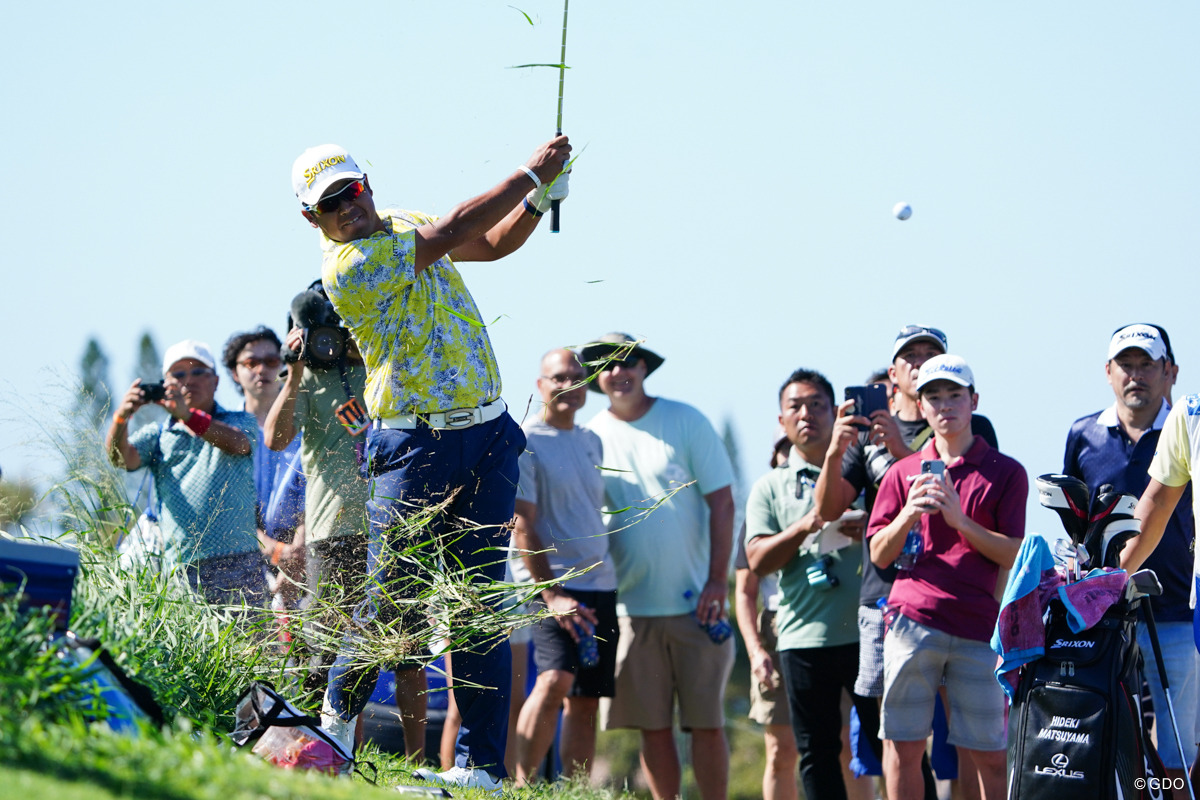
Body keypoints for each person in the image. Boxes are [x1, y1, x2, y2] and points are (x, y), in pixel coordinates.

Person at [291, 134, 571, 792]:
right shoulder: (348, 265)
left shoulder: (409, 223)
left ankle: (481, 769)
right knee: (392, 602)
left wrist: (540, 200)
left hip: (487, 435)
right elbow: (453, 229)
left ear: (367, 184)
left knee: (480, 605)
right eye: (328, 204)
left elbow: (491, 243)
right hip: (413, 447)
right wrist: (532, 172)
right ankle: (330, 731)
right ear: (312, 219)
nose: (344, 208)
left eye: (349, 191)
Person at [813, 325, 996, 794]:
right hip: (886, 600)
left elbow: (977, 506)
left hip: (959, 602)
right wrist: (837, 450)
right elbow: (827, 511)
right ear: (893, 374)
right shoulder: (865, 430)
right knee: (898, 739)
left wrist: (899, 450)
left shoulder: (973, 430)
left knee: (968, 740)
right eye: (909, 356)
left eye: (929, 353)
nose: (918, 362)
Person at [262, 284, 426, 759]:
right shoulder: (309, 377)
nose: (337, 342)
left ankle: (418, 762)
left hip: (396, 527)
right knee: (326, 645)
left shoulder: (387, 368)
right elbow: (274, 439)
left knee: (407, 649)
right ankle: (312, 752)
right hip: (335, 532)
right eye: (328, 333)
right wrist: (293, 374)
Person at [581, 332, 736, 800]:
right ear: (597, 378)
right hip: (629, 609)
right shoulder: (590, 435)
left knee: (706, 725)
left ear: (644, 367)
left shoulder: (685, 420)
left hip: (697, 607)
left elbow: (724, 504)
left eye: (626, 362)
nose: (617, 372)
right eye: (606, 365)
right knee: (653, 728)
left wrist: (715, 583)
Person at [866, 354, 1026, 800]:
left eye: (955, 395)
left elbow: (1013, 551)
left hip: (978, 627)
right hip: (911, 621)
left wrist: (959, 521)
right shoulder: (901, 473)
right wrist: (907, 515)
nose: (944, 405)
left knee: (990, 754)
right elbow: (879, 553)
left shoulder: (1006, 471)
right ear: (921, 405)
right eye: (933, 397)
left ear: (974, 400)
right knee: (903, 747)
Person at [1064, 323, 1198, 783]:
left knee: (1178, 742)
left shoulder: (1180, 421)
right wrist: (1094, 590)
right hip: (1110, 614)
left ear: (1170, 372)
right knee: (1108, 731)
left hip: (1179, 607)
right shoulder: (1083, 434)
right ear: (1108, 372)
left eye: (1146, 364)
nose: (1135, 375)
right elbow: (1081, 521)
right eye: (1126, 365)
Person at [745, 369, 874, 800]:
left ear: (837, 413)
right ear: (781, 422)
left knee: (887, 745)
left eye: (818, 405)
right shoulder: (768, 487)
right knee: (815, 752)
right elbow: (757, 561)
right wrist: (805, 526)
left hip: (866, 632)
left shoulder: (867, 472)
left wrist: (869, 525)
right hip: (802, 638)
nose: (807, 415)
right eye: (795, 407)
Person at [512, 348, 617, 785]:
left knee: (587, 698)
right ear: (540, 385)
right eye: (558, 377)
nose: (568, 385)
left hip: (600, 582)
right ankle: (522, 786)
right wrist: (551, 594)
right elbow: (523, 524)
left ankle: (575, 792)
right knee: (553, 681)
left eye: (576, 377)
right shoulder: (527, 440)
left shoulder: (591, 440)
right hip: (552, 585)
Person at [106, 339, 265, 605]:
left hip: (240, 561)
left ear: (215, 382)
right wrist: (121, 418)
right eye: (178, 375)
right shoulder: (160, 434)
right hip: (182, 566)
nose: (188, 381)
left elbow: (238, 443)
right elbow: (122, 459)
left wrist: (188, 416)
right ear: (165, 383)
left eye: (198, 373)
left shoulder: (240, 421)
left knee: (253, 646)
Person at [734, 431, 798, 800]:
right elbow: (745, 591)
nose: (790, 457)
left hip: (831, 627)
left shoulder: (836, 501)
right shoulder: (760, 511)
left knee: (843, 748)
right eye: (783, 450)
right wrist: (757, 650)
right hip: (775, 629)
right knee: (780, 749)